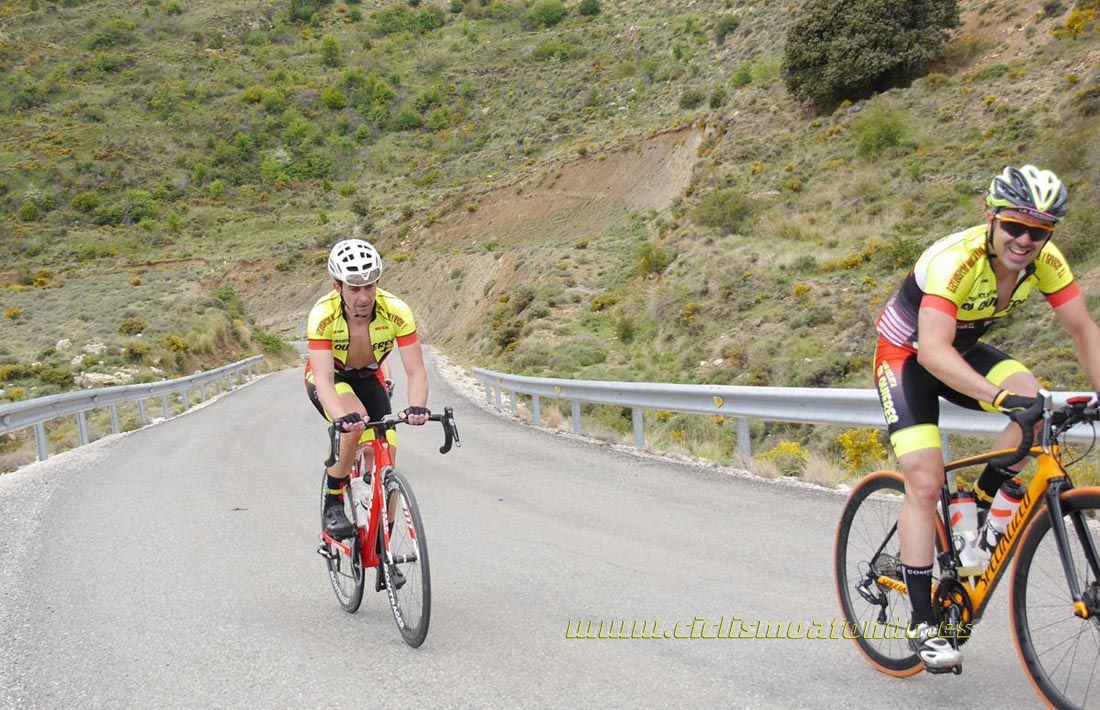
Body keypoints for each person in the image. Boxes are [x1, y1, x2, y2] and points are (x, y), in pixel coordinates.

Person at [873, 165, 1100, 670]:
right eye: (1014, 226)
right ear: (992, 219)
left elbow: (1084, 330)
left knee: (1037, 408)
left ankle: (976, 507)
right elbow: (932, 352)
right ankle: (923, 623)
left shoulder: (1046, 261)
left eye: (1038, 232)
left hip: (963, 349)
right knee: (926, 484)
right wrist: (999, 400)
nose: (1024, 240)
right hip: (908, 357)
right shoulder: (960, 259)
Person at [305, 238, 430, 538]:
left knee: (388, 457)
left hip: (370, 377)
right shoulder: (322, 315)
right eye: (354, 287)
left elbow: (416, 371)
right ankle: (333, 499)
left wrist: (417, 406)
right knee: (356, 421)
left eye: (370, 286)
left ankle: (382, 542)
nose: (363, 296)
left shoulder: (396, 310)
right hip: (333, 377)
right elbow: (323, 379)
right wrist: (341, 418)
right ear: (338, 287)